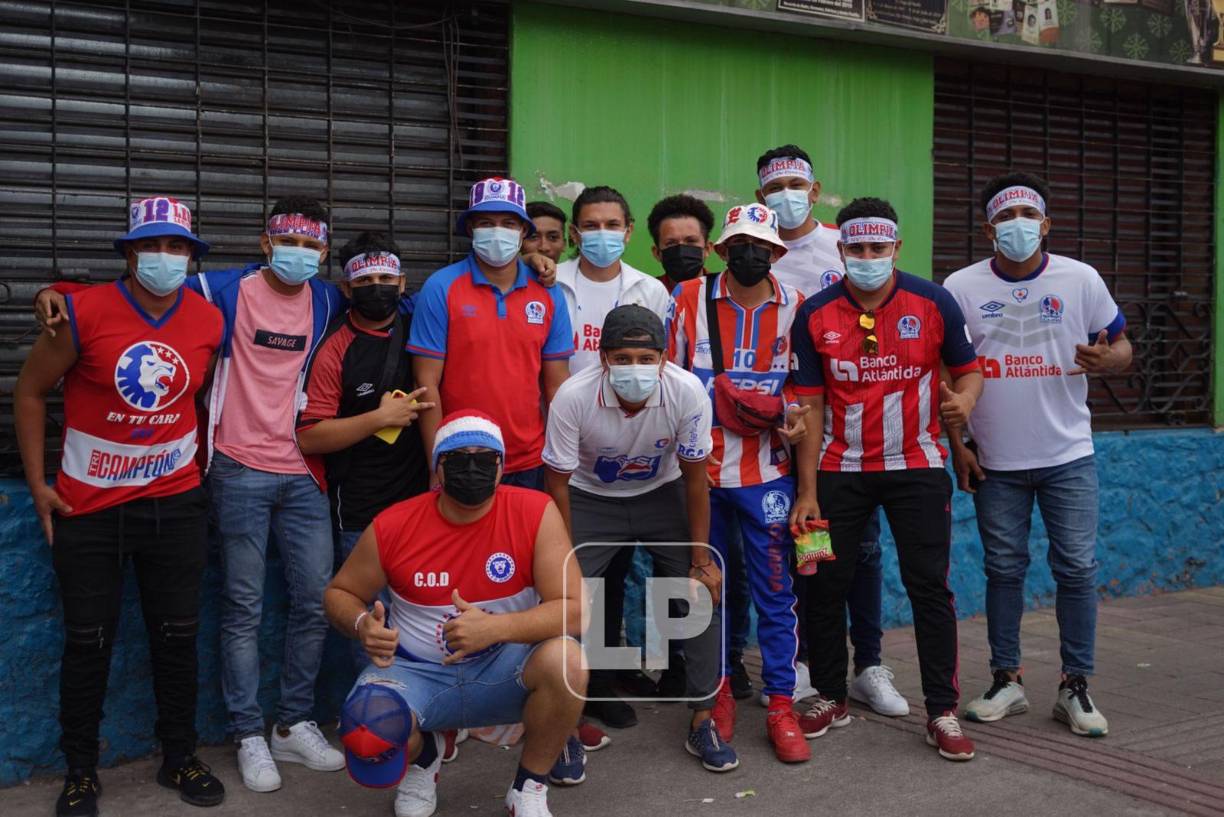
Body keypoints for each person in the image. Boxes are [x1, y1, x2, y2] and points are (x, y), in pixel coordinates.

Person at [14, 197, 226, 816]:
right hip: (89, 511)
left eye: (177, 247)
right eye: (151, 246)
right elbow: (29, 393)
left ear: (192, 256)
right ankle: (79, 771)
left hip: (176, 505)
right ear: (129, 252)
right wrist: (38, 487)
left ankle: (179, 756)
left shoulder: (208, 319)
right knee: (87, 642)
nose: (164, 257)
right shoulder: (81, 313)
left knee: (178, 638)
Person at [789, 197, 984, 761]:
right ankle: (829, 694)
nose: (867, 258)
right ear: (841, 249)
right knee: (821, 580)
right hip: (834, 474)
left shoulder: (934, 301)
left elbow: (968, 373)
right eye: (856, 248)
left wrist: (963, 407)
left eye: (879, 248)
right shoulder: (815, 313)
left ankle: (941, 710)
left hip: (918, 469)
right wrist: (806, 491)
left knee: (930, 587)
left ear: (896, 248)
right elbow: (810, 406)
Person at [324, 411, 586, 817]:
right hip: (415, 672)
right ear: (437, 468)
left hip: (504, 669)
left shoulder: (536, 511)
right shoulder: (394, 524)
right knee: (365, 729)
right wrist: (362, 626)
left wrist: (495, 628)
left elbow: (577, 610)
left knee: (569, 663)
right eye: (458, 459)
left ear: (502, 467)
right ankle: (424, 756)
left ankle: (528, 787)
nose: (472, 468)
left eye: (485, 459)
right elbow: (339, 593)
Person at [944, 172, 1132, 737]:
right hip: (994, 459)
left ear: (1046, 225)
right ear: (988, 229)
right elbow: (947, 376)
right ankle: (1007, 680)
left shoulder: (1081, 279)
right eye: (1005, 218)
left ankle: (1076, 685)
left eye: (1028, 217)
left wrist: (1110, 362)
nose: (1017, 227)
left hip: (1068, 455)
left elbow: (1121, 343)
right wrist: (961, 448)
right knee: (1004, 569)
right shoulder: (961, 287)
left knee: (1076, 568)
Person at [542, 304, 739, 774]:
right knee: (565, 602)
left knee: (701, 595)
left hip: (662, 492)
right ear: (603, 358)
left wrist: (700, 559)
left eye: (646, 357)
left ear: (665, 357)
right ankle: (562, 729)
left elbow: (696, 479)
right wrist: (567, 560)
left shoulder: (687, 391)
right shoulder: (573, 396)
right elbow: (557, 484)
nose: (635, 368)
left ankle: (703, 717)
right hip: (589, 498)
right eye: (623, 357)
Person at [755, 144, 905, 716]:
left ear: (815, 191)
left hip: (846, 434)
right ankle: (805, 665)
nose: (786, 195)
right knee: (799, 548)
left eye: (796, 184)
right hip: (775, 432)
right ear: (761, 195)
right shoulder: (755, 249)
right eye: (774, 187)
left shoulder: (844, 247)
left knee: (861, 550)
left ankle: (868, 663)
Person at [668, 202, 814, 763]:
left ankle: (780, 705)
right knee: (705, 588)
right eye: (738, 245)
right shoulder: (687, 300)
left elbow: (805, 396)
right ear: (720, 250)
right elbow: (669, 379)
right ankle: (717, 694)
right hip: (699, 473)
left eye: (762, 246)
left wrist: (804, 477)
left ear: (777, 253)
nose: (750, 254)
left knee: (776, 593)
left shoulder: (797, 306)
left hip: (768, 476)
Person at [296, 233, 433, 667]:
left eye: (386, 277)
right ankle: (374, 715)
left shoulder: (421, 331)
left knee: (424, 609)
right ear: (346, 288)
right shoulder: (335, 347)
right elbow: (310, 434)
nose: (378, 286)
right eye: (366, 279)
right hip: (358, 508)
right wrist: (378, 418)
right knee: (370, 619)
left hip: (421, 503)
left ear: (403, 282)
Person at [647, 193, 756, 702]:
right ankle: (672, 666)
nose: (683, 251)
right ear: (655, 250)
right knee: (669, 568)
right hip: (654, 456)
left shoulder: (715, 298)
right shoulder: (645, 293)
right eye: (672, 244)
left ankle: (729, 663)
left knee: (722, 562)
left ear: (710, 247)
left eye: (692, 242)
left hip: (719, 464)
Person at [409, 177, 574, 490]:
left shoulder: (549, 292)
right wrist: (437, 460)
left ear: (524, 231)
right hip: (461, 455)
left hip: (530, 460)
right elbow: (425, 382)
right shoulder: (441, 287)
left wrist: (560, 456)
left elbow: (557, 385)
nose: (498, 231)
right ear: (471, 229)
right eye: (487, 222)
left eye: (508, 223)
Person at [556, 186, 670, 373]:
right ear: (575, 233)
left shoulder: (651, 290)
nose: (602, 233)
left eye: (612, 225)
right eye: (591, 226)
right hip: (565, 400)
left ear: (628, 231)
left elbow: (660, 360)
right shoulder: (553, 284)